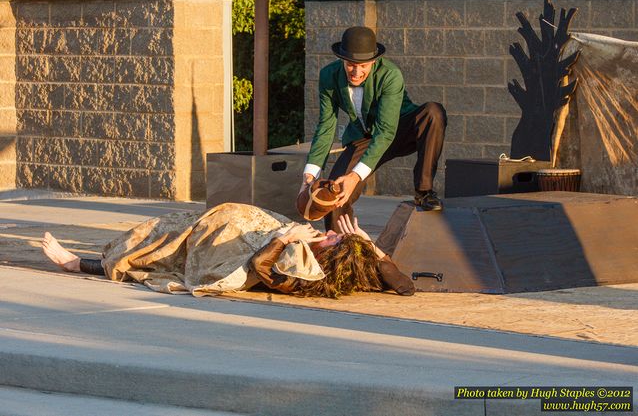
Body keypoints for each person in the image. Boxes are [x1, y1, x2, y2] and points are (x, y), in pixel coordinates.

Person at [42, 203, 414, 299]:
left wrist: (286, 237)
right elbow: (405, 286)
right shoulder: (333, 254)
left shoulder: (306, 275)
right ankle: (90, 260)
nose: (329, 233)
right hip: (217, 229)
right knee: (161, 230)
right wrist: (370, 244)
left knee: (158, 254)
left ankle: (79, 264)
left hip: (222, 255)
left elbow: (262, 266)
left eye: (334, 240)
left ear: (334, 256)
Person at [302, 26, 447, 233]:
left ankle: (424, 191)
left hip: (399, 129)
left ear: (374, 61)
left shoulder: (390, 74)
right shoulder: (328, 76)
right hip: (363, 138)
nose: (356, 72)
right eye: (351, 65)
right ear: (342, 59)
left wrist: (355, 176)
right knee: (336, 193)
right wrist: (310, 173)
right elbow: (326, 125)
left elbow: (386, 131)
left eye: (363, 66)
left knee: (433, 112)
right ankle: (341, 252)